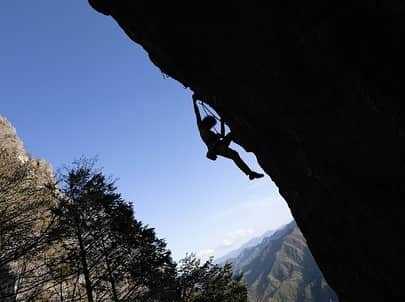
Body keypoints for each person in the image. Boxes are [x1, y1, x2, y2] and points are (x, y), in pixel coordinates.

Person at [192, 93, 264, 180]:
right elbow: (197, 113)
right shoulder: (201, 127)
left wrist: (222, 121)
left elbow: (222, 135)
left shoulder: (207, 131)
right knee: (234, 154)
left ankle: (248, 145)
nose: (211, 126)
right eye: (211, 124)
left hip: (220, 144)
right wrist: (194, 102)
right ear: (208, 122)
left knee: (232, 134)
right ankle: (250, 173)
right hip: (216, 148)